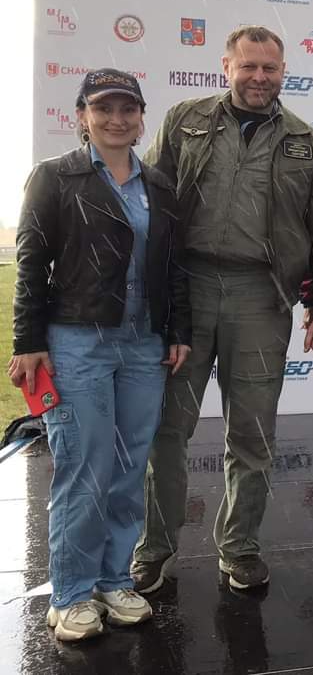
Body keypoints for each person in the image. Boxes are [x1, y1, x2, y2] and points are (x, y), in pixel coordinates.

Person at [131, 25, 313, 592]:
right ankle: (155, 547)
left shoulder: (306, 142)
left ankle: (240, 547)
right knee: (167, 429)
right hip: (187, 292)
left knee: (252, 433)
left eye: (269, 68)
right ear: (226, 67)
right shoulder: (185, 120)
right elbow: (146, 202)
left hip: (260, 295)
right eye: (248, 66)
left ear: (283, 72)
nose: (259, 77)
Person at [9, 70, 191, 641]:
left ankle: (115, 580)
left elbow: (173, 266)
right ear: (82, 116)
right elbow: (31, 262)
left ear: (141, 117)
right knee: (84, 466)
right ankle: (70, 593)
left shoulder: (159, 185)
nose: (116, 119)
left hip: (143, 344)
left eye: (127, 109)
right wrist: (28, 341)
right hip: (77, 341)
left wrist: (177, 330)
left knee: (129, 465)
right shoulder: (54, 176)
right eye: (103, 108)